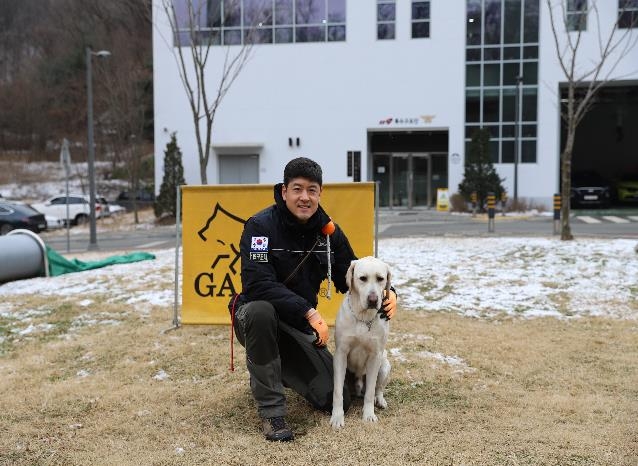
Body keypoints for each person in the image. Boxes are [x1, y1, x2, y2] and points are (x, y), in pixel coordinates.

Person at [228, 157, 397, 442]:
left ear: (320, 193)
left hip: (298, 328)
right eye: (297, 189)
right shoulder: (259, 227)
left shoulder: (328, 233)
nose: (304, 197)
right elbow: (257, 284)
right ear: (284, 191)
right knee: (260, 311)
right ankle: (272, 412)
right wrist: (308, 311)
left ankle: (279, 371)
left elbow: (357, 273)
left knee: (338, 397)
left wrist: (389, 293)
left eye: (312, 190)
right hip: (256, 320)